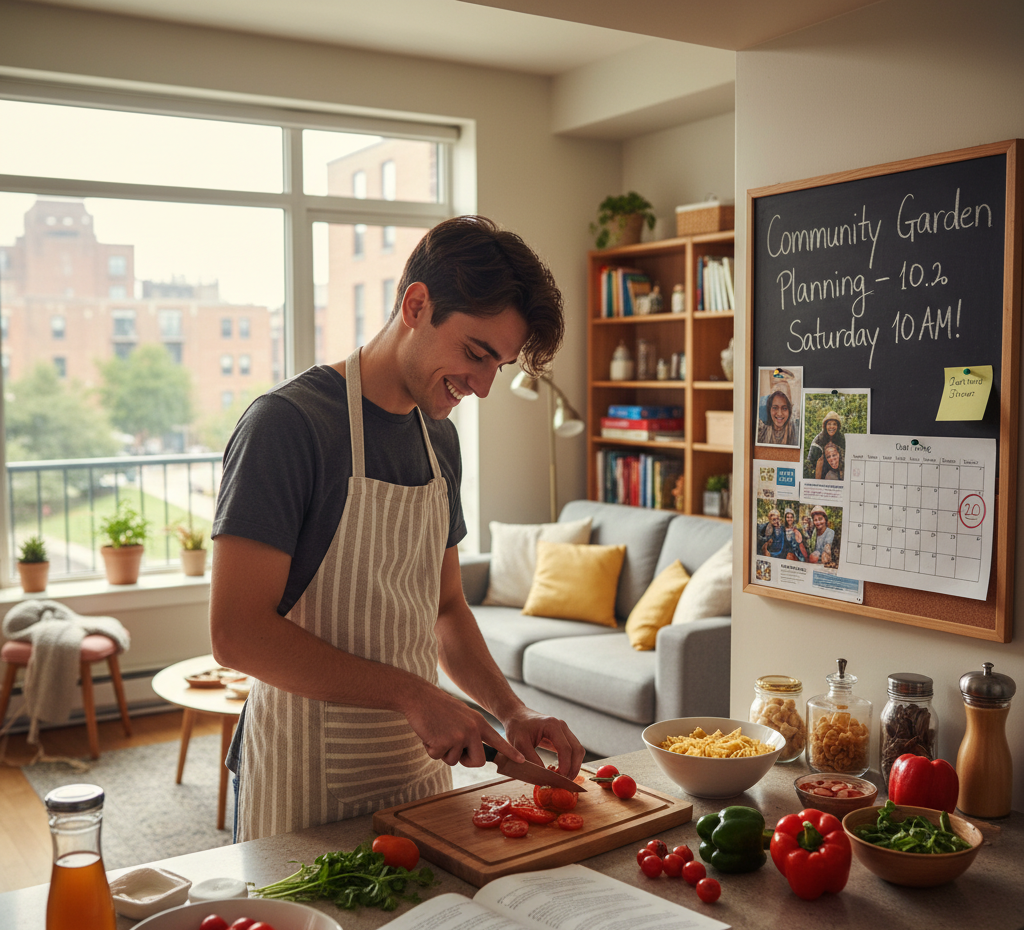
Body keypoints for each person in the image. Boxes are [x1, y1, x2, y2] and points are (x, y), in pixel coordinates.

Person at [210, 216, 585, 842]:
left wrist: (512, 709)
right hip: (304, 779)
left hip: (420, 778)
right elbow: (237, 635)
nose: (484, 387)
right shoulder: (286, 426)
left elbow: (444, 607)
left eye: (500, 365)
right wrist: (415, 696)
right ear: (415, 304)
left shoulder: (440, 440)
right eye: (475, 353)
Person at [756, 380, 800, 446]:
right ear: (769, 409)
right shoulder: (760, 433)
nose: (779, 413)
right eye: (775, 408)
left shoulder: (797, 433)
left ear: (789, 410)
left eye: (784, 408)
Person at [806, 410, 845, 478]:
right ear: (825, 426)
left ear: (838, 426)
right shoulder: (818, 440)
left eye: (834, 424)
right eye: (829, 424)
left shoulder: (841, 439)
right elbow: (811, 463)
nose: (832, 427)